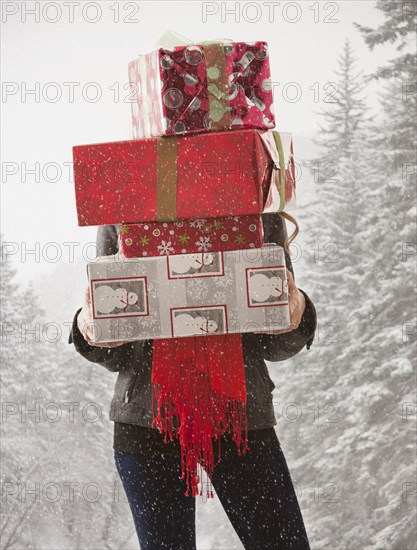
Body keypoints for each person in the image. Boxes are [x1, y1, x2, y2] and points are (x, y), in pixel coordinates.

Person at [69, 211, 317, 550]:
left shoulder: (254, 194)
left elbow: (273, 339)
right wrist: (89, 326)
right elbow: (117, 347)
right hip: (147, 423)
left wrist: (297, 310)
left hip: (239, 417)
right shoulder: (124, 198)